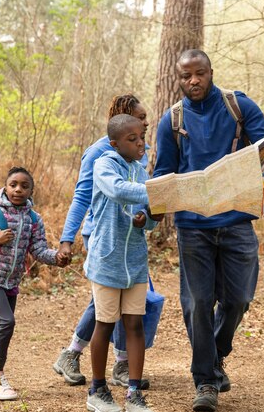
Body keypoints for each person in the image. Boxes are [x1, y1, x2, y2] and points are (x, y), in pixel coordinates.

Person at [153, 50, 264, 412]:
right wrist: (148, 209)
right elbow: (163, 173)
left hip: (236, 222)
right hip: (192, 228)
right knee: (197, 303)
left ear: (211, 73)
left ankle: (215, 356)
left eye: (199, 74)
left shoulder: (238, 106)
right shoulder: (172, 120)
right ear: (178, 78)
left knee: (238, 299)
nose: (193, 81)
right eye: (186, 76)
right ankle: (205, 382)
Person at [53, 94, 153, 389]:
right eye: (141, 117)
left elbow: (141, 191)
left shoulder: (139, 150)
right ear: (123, 119)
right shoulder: (98, 153)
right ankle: (74, 354)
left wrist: (148, 217)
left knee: (122, 306)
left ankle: (120, 362)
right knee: (104, 306)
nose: (146, 123)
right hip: (102, 233)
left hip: (131, 237)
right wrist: (66, 239)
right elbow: (82, 196)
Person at [0, 167, 68, 400]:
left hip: (12, 280)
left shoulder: (33, 219)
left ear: (31, 190)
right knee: (7, 321)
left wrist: (57, 258)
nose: (18, 189)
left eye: (24, 186)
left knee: (2, 325)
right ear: (6, 187)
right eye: (13, 185)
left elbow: (38, 250)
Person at [85, 114, 162, 412]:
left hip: (136, 262)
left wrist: (149, 217)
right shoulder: (104, 164)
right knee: (104, 324)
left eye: (141, 136)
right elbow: (117, 190)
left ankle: (133, 394)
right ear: (116, 144)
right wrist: (156, 191)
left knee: (134, 325)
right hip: (107, 259)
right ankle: (98, 389)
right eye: (132, 139)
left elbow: (150, 221)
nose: (140, 142)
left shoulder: (141, 172)